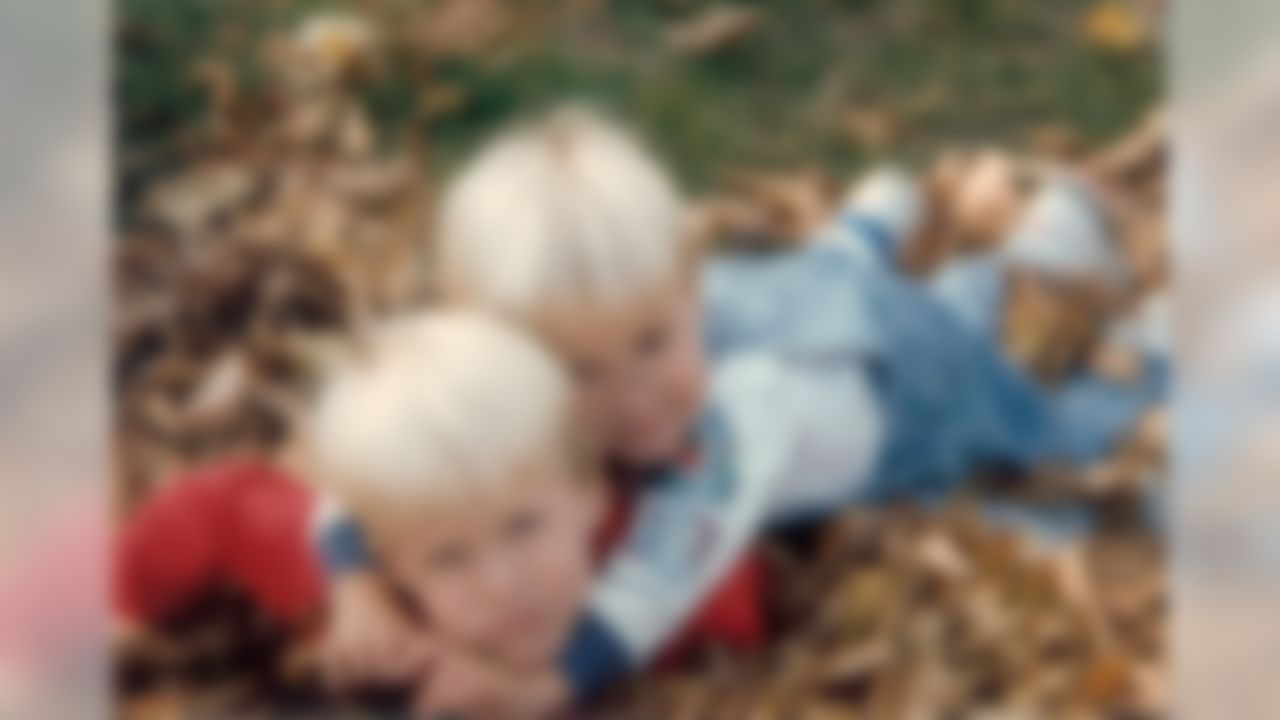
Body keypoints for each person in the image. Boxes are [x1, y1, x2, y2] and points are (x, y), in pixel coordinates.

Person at [322, 106, 1148, 716]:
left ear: (688, 284)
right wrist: (353, 576)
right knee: (839, 286)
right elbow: (399, 440)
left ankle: (1134, 321)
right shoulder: (621, 310)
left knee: (1056, 424)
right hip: (799, 300)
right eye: (581, 373)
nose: (636, 397)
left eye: (652, 344)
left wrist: (549, 683)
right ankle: (880, 233)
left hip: (904, 394)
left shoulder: (736, 418)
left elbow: (661, 572)